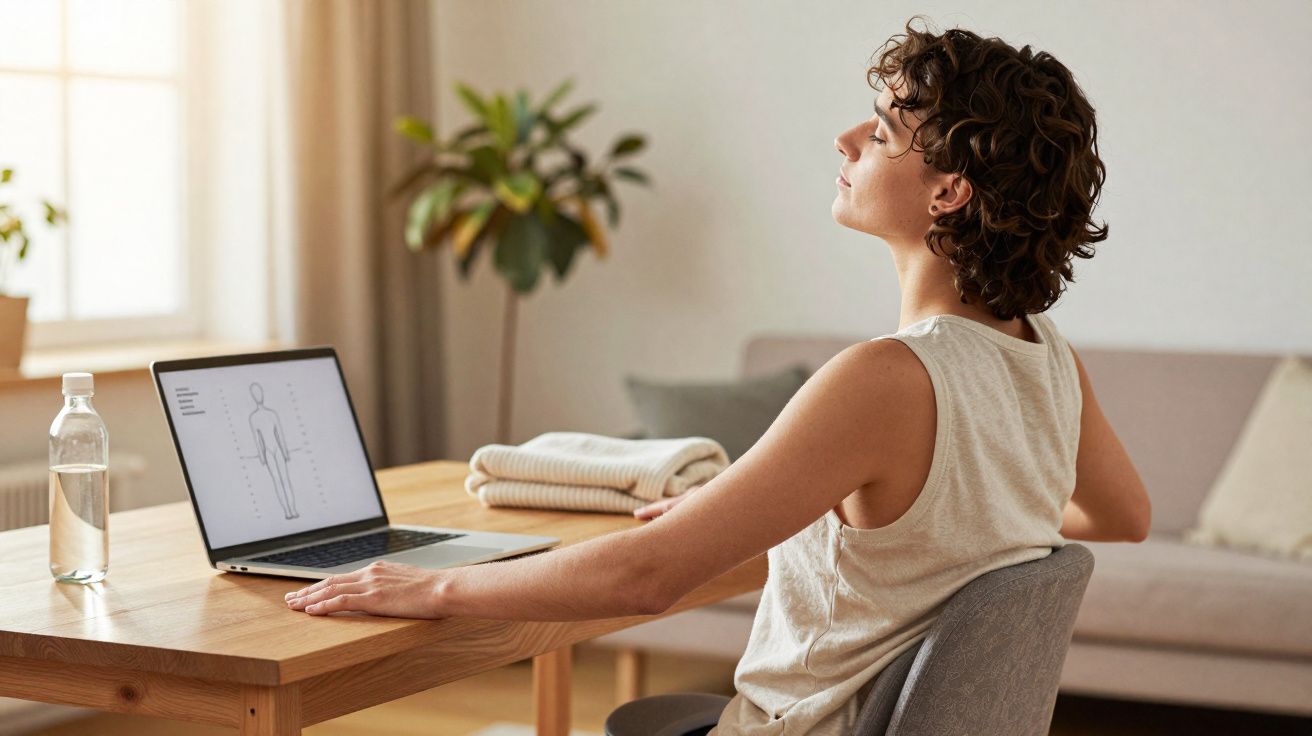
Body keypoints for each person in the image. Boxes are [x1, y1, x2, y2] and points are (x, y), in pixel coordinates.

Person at [284, 14, 1152, 736]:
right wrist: (910, 518)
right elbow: (1122, 514)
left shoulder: (885, 379)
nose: (847, 139)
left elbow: (645, 577)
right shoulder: (1044, 354)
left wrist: (431, 584)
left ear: (948, 193)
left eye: (881, 131)